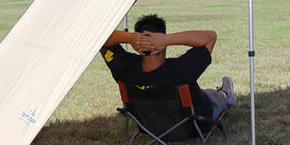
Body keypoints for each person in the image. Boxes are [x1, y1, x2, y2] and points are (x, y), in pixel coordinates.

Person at [101, 14, 236, 119]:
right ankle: (224, 94)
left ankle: (220, 93)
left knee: (205, 93)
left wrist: (130, 37)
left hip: (148, 125)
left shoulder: (124, 67)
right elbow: (210, 37)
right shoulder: (181, 69)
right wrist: (167, 40)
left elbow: (99, 38)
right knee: (213, 97)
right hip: (191, 125)